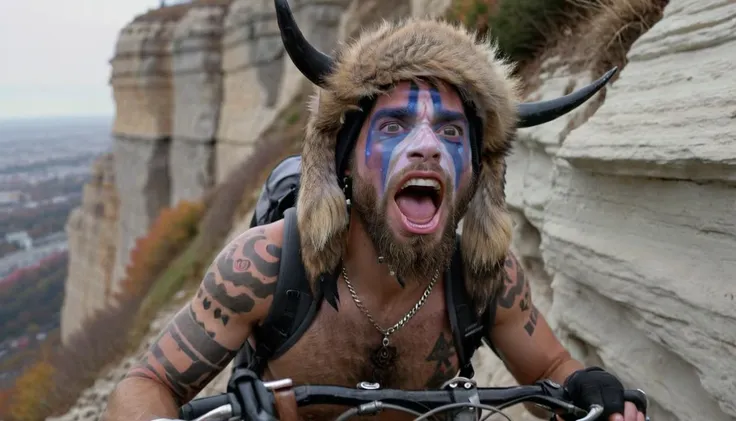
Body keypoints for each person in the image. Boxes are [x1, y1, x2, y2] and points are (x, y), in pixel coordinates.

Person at [103, 1, 646, 421]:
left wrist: (586, 386)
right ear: (346, 161)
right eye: (393, 126)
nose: (429, 146)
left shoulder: (485, 279)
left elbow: (550, 369)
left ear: (477, 172)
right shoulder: (265, 266)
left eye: (453, 132)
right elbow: (147, 384)